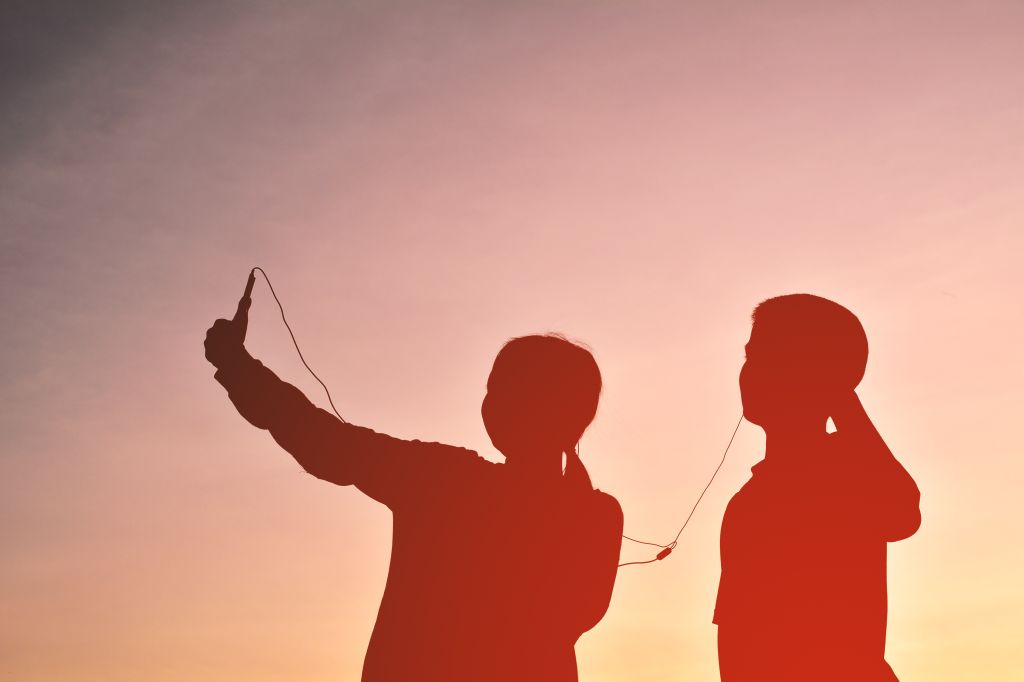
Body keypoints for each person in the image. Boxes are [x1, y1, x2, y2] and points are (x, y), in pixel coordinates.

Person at [204, 314, 623, 682]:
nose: (488, 402)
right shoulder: (598, 516)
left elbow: (322, 442)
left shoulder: (444, 479)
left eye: (498, 389)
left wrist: (237, 366)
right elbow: (568, 619)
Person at [714, 294, 921, 681]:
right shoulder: (746, 504)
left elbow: (902, 513)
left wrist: (840, 397)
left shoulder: (847, 469)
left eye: (767, 359)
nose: (749, 372)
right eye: (750, 357)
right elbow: (735, 636)